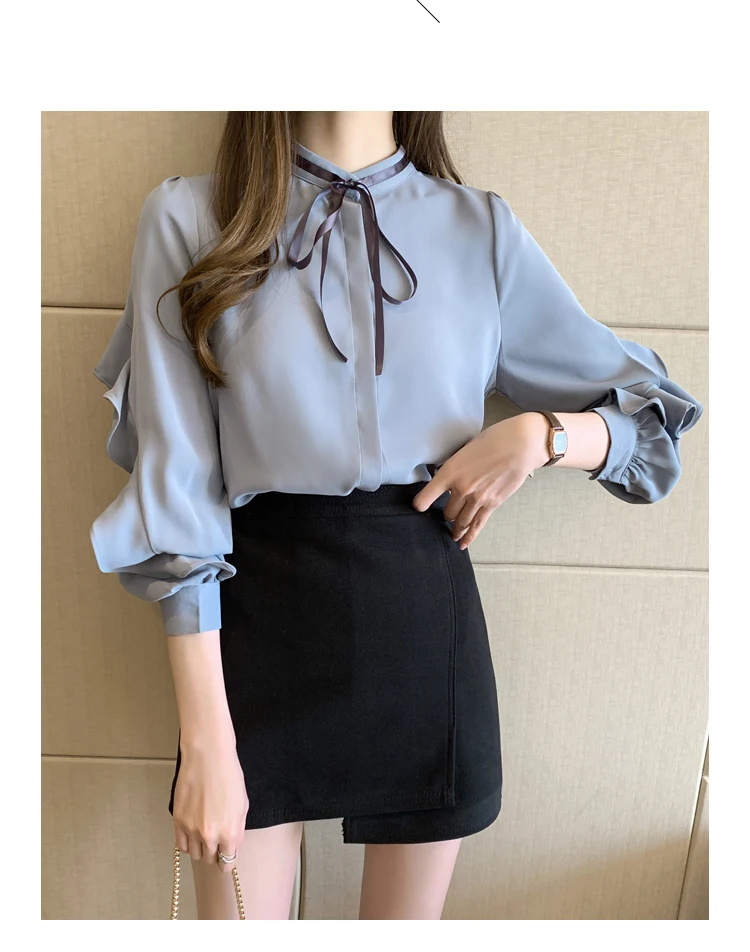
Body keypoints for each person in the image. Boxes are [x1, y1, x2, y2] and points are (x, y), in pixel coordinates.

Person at [89, 110, 704, 920]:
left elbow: (654, 426)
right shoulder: (192, 219)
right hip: (251, 630)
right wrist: (205, 741)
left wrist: (541, 437)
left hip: (424, 634)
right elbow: (176, 483)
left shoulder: (479, 230)